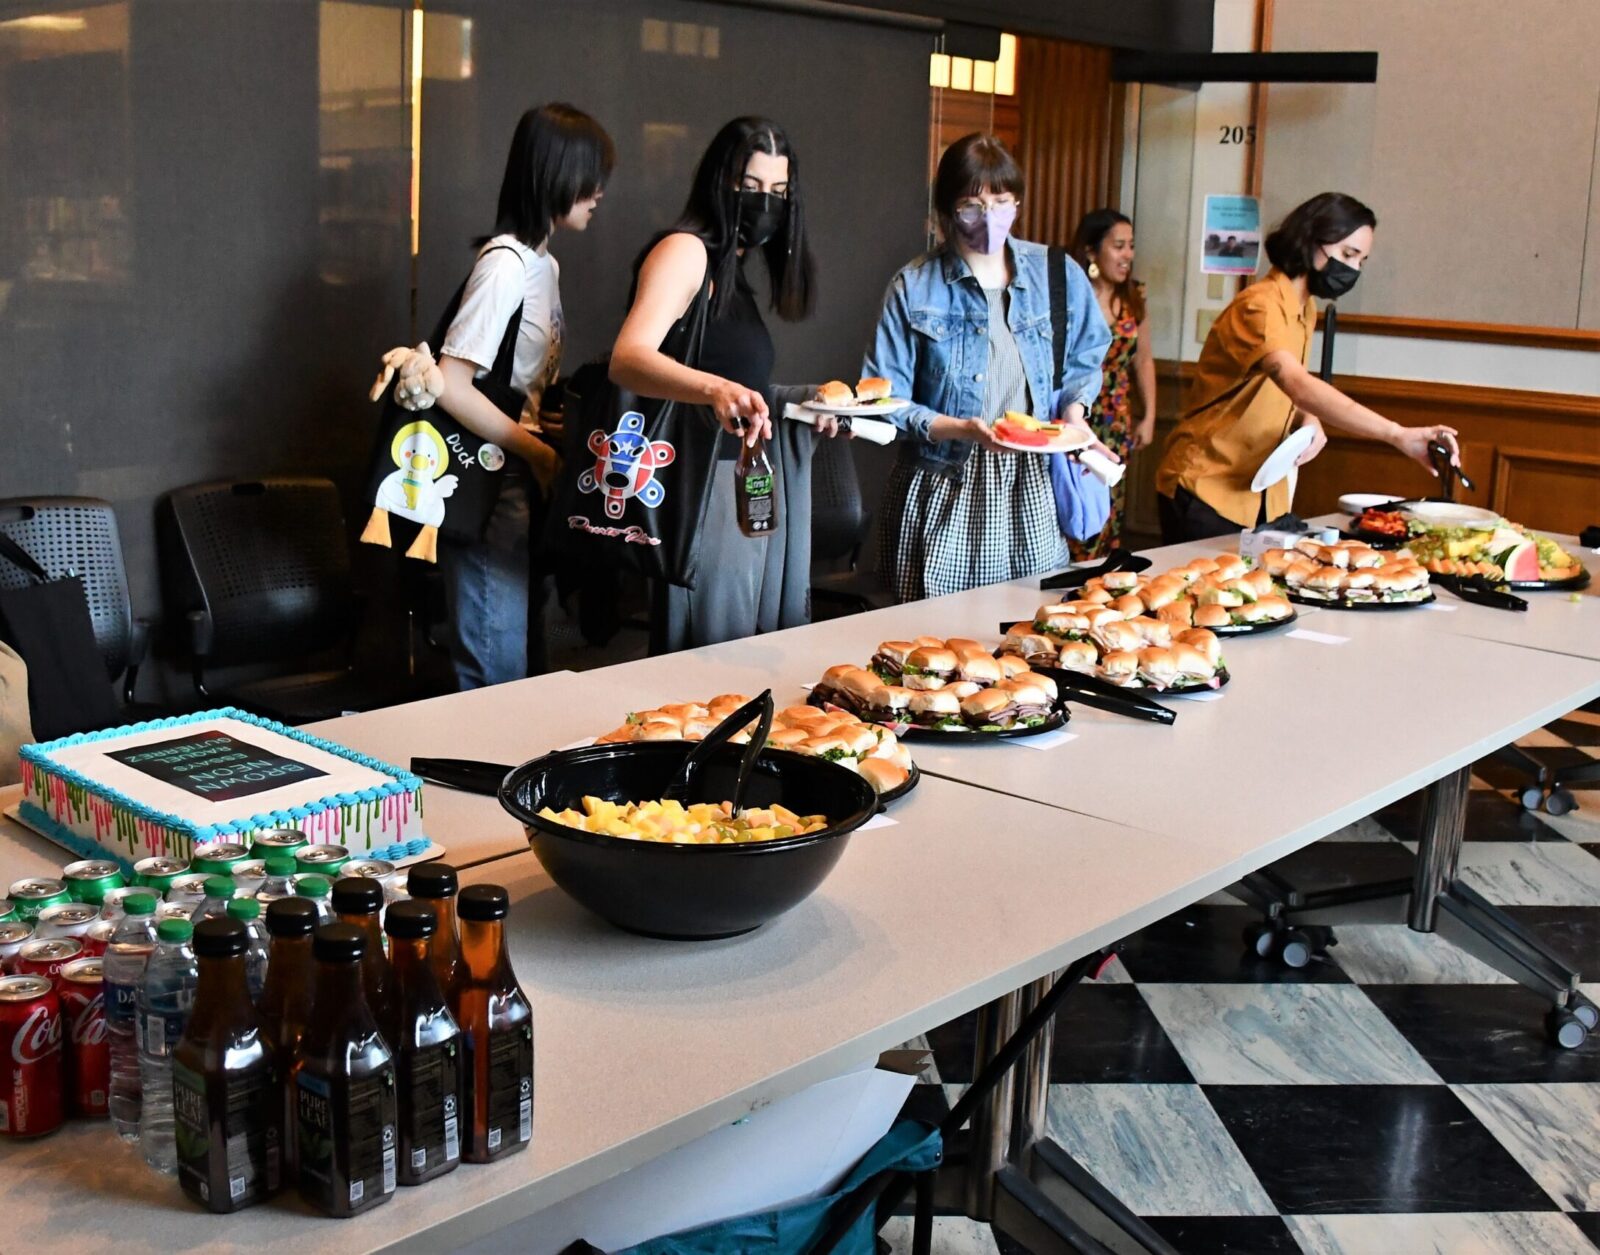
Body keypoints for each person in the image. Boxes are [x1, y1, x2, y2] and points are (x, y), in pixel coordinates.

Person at [609, 116, 837, 652]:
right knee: (714, 654)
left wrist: (805, 405)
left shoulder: (736, 273)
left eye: (778, 191)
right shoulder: (685, 251)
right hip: (701, 486)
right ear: (720, 181)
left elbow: (741, 380)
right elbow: (628, 358)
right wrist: (714, 390)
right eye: (750, 185)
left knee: (745, 649)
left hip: (743, 481)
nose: (765, 203)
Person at [864, 133, 1113, 603]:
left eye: (1001, 203)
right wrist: (959, 428)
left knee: (1030, 620)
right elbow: (884, 400)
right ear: (947, 209)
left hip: (1028, 483)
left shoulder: (1055, 273)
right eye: (971, 206)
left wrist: (1074, 416)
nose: (988, 218)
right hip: (942, 484)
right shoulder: (914, 286)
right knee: (931, 629)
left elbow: (1086, 353)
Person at [1156, 192, 1461, 542]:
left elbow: (1283, 388)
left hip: (1256, 493)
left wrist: (1309, 417)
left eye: (1361, 261)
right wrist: (1397, 434)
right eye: (1347, 254)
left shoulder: (1305, 308)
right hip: (1206, 486)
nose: (1353, 269)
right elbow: (1296, 383)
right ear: (1311, 239)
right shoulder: (1259, 305)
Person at [432, 102, 614, 689]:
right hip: (493, 480)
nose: (599, 192)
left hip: (522, 478)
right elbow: (449, 383)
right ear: (554, 172)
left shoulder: (543, 266)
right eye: (590, 176)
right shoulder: (505, 264)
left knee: (525, 663)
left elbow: (522, 382)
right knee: (495, 669)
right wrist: (536, 452)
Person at [1069, 208, 1156, 559]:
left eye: (1131, 246)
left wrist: (1149, 415)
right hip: (1076, 416)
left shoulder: (1135, 296)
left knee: (1109, 506)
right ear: (1092, 251)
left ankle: (1100, 573)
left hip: (1116, 420)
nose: (1128, 255)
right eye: (1118, 246)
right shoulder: (1072, 295)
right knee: (1074, 502)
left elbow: (1143, 359)